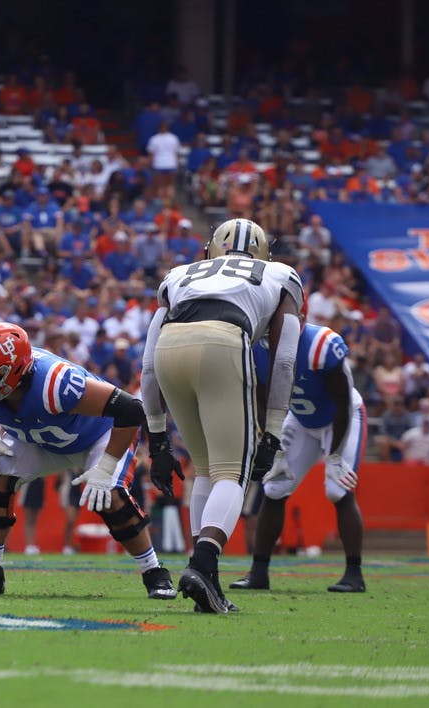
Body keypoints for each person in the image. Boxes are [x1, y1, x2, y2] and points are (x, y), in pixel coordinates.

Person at [140, 218, 304, 614]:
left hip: (169, 350)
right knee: (233, 472)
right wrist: (274, 431)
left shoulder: (180, 274)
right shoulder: (280, 274)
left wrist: (158, 439)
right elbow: (283, 361)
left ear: (210, 249)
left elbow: (146, 365)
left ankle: (205, 575)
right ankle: (204, 564)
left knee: (206, 469)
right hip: (223, 340)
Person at [0, 322, 176, 598]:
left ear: (17, 370)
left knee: (110, 496)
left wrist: (105, 466)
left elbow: (130, 410)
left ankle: (155, 573)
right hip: (40, 439)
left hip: (98, 435)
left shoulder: (55, 382)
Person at [231, 311, 367, 593]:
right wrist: (269, 437)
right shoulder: (257, 347)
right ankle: (259, 573)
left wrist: (334, 456)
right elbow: (260, 397)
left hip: (341, 419)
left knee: (337, 488)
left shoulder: (322, 344)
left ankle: (354, 573)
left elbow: (342, 404)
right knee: (275, 486)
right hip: (300, 418)